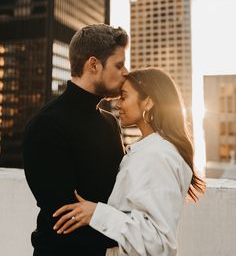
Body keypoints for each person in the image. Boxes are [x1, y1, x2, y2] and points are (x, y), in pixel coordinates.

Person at [52, 68, 206, 256]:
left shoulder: (157, 155)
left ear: (148, 102)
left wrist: (97, 214)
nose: (117, 104)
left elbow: (160, 243)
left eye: (124, 97)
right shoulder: (148, 150)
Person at [23, 24, 129, 256]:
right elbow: (65, 215)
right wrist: (133, 229)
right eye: (119, 65)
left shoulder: (110, 123)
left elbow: (119, 197)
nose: (126, 72)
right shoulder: (46, 125)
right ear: (93, 64)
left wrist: (111, 219)